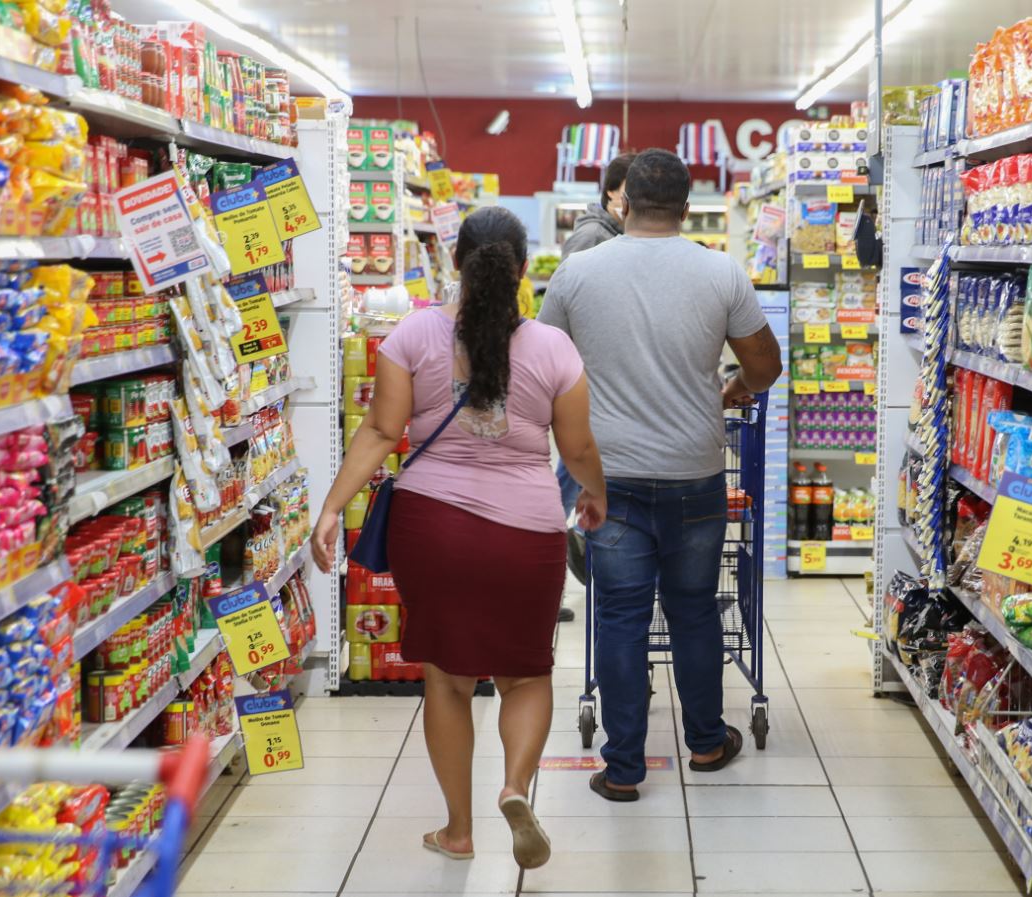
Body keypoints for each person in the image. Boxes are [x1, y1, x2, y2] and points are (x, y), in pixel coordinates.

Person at [311, 206, 606, 869]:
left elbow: (382, 433)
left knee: (447, 681)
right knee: (525, 673)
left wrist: (332, 506)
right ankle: (513, 786)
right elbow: (579, 445)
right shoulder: (553, 347)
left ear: (454, 263)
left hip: (432, 527)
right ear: (523, 269)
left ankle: (458, 830)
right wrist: (596, 494)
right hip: (527, 531)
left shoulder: (413, 333)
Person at [539, 148, 783, 801]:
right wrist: (729, 388)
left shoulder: (577, 272)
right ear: (685, 205)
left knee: (618, 614)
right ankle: (705, 741)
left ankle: (622, 768)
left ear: (623, 202)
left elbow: (543, 365)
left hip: (606, 474)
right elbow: (764, 366)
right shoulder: (720, 271)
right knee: (694, 610)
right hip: (693, 470)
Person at [555, 152, 635, 604]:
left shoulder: (614, 234)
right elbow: (574, 311)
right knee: (573, 466)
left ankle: (563, 540)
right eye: (629, 193)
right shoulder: (591, 237)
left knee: (574, 467)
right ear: (610, 192)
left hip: (597, 378)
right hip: (586, 378)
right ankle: (553, 542)